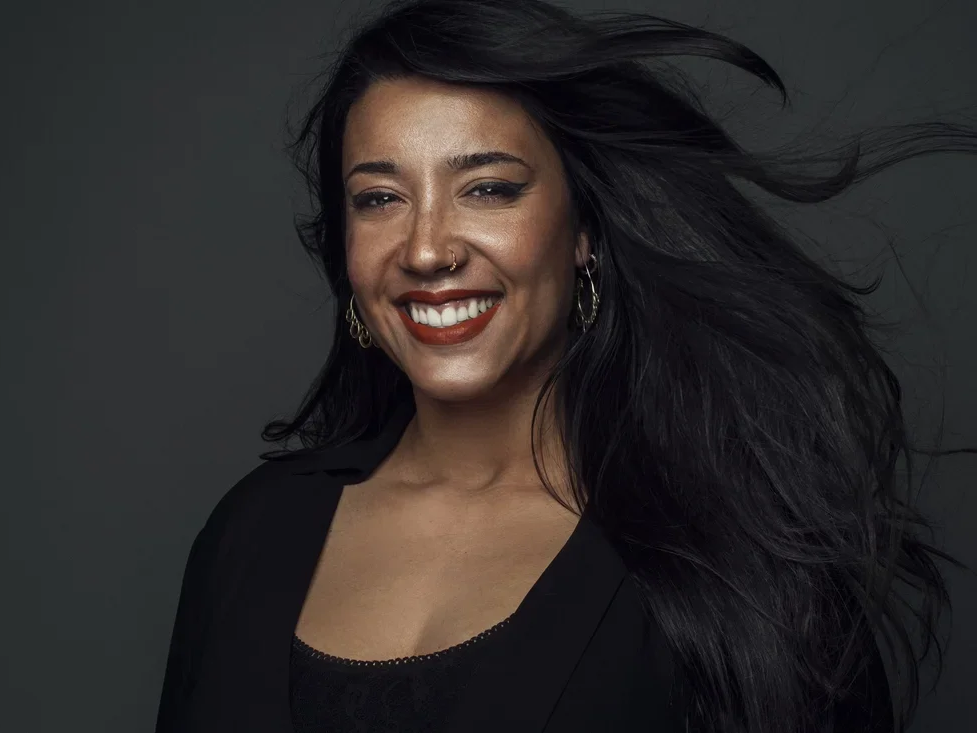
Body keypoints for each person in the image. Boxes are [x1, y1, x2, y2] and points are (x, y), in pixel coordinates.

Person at [155, 1, 976, 731]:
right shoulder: (249, 536)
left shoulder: (727, 556)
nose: (428, 248)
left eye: (489, 189)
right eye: (379, 198)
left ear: (583, 232)